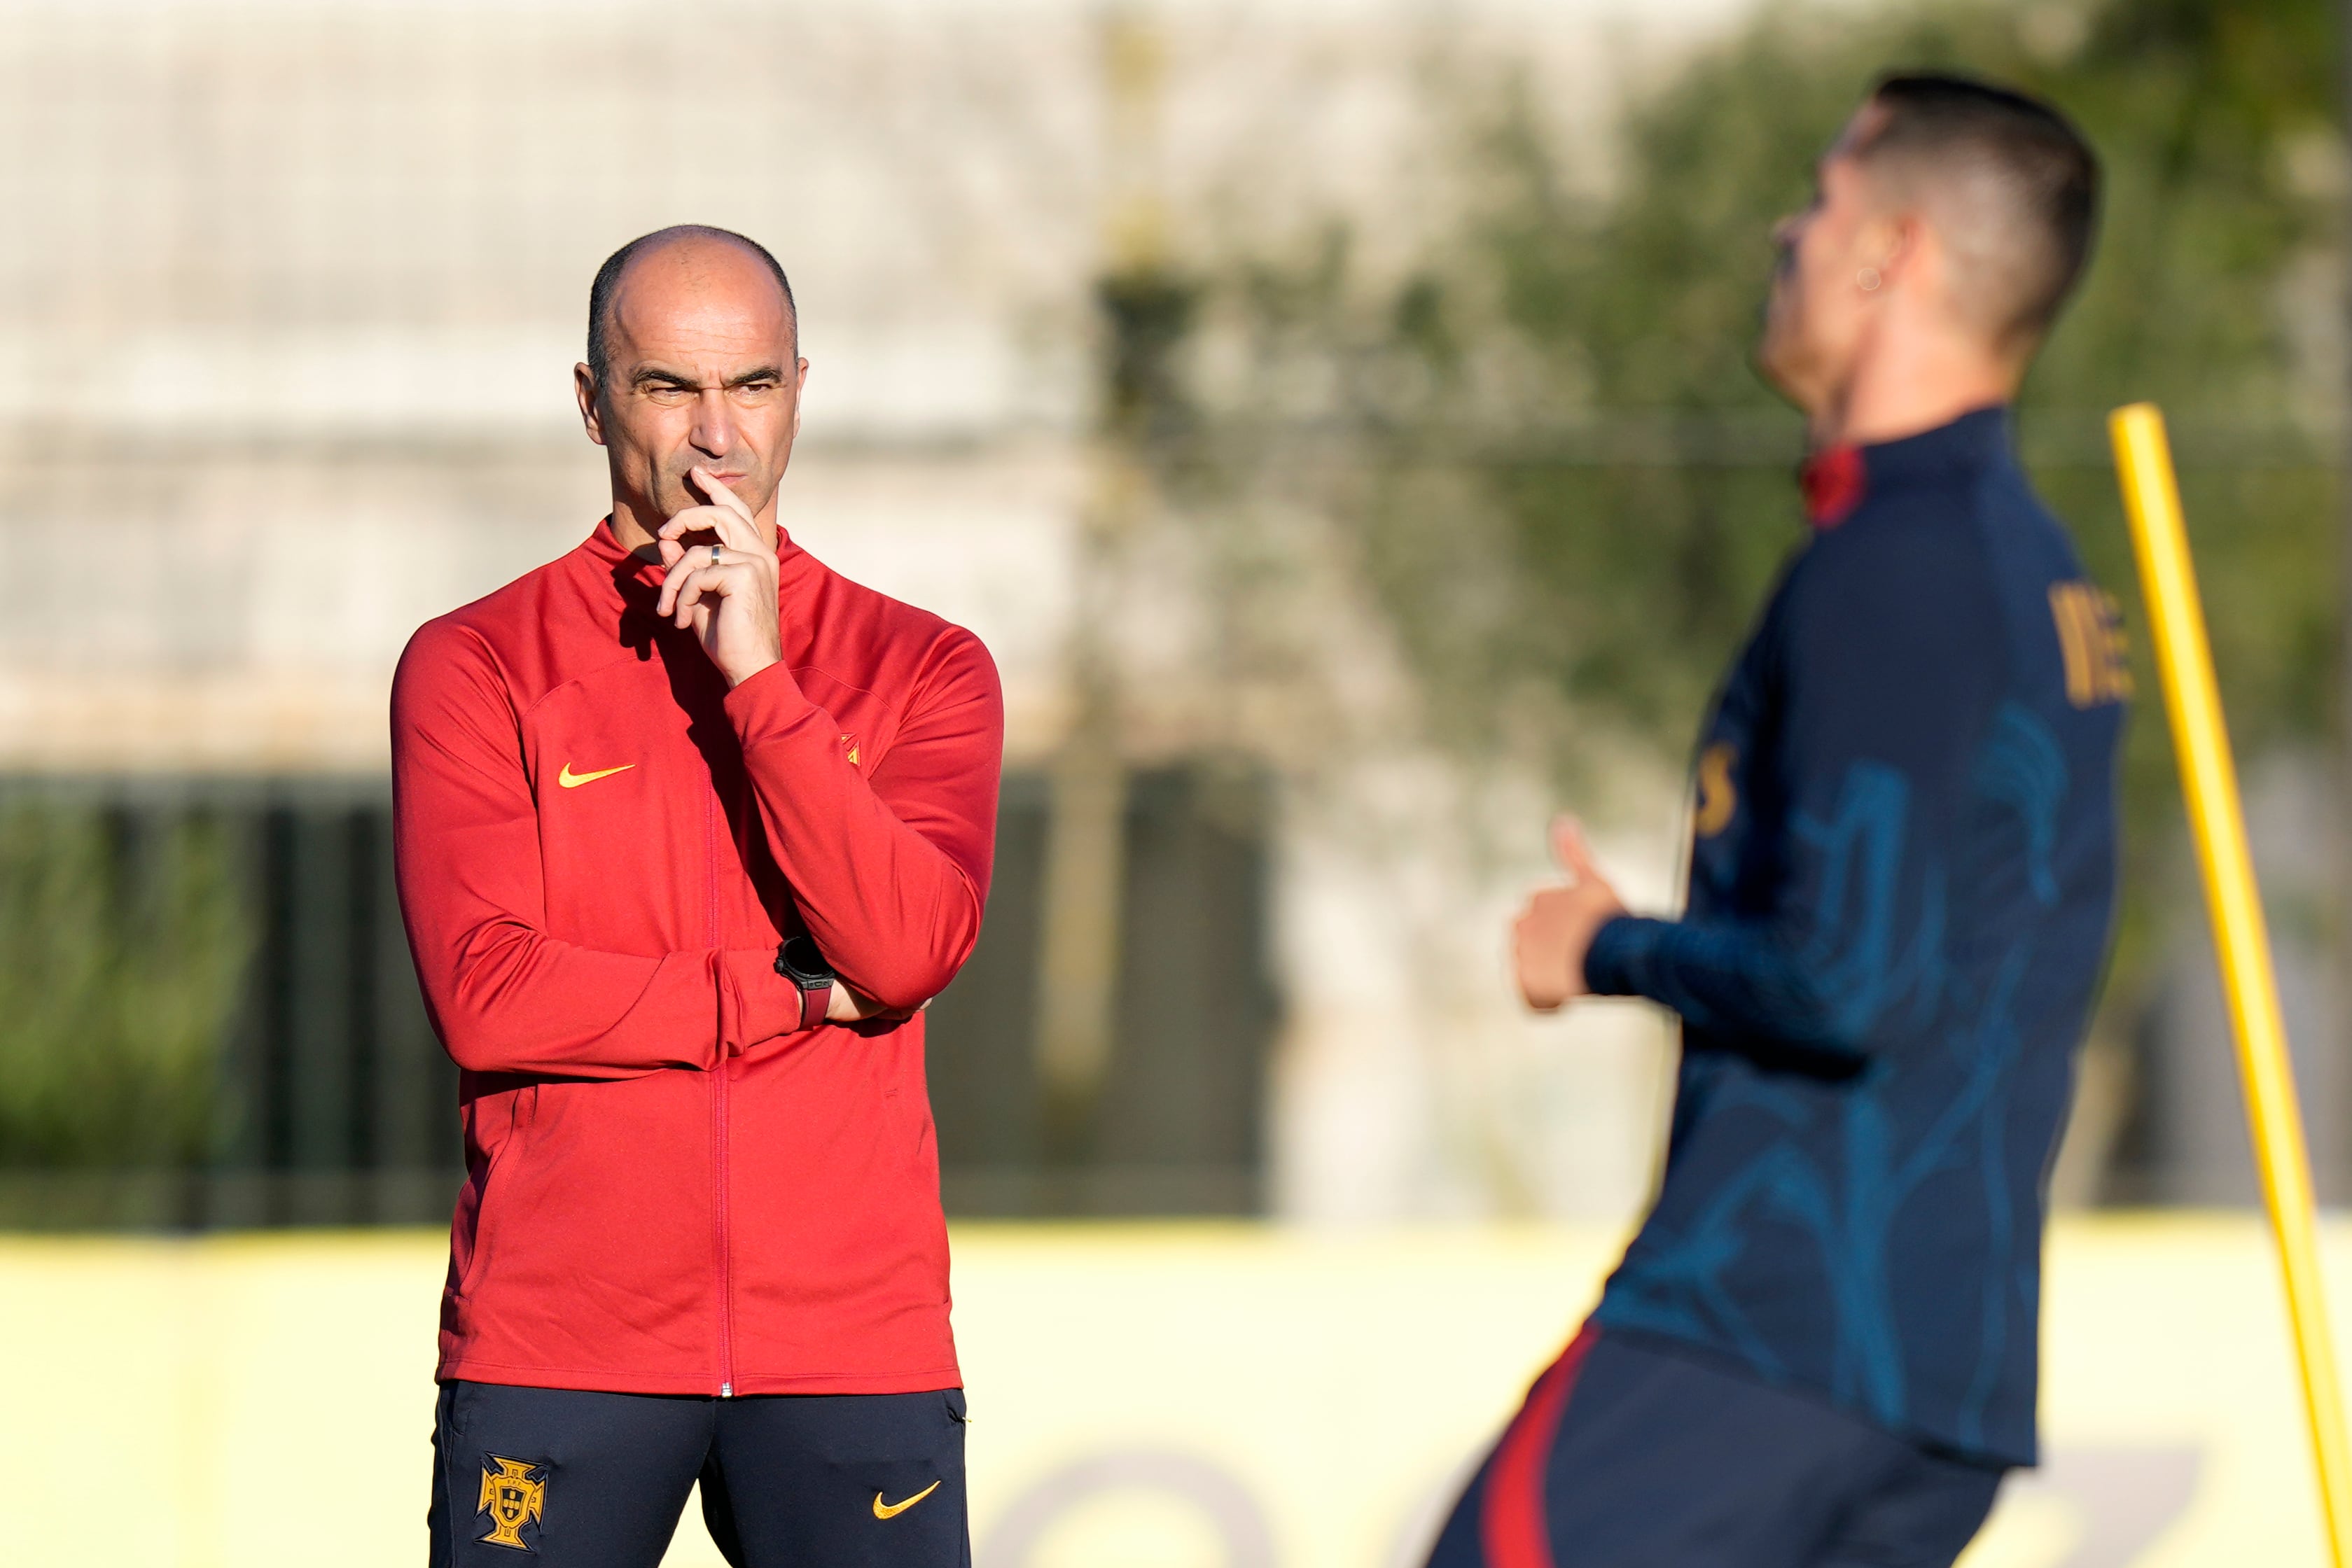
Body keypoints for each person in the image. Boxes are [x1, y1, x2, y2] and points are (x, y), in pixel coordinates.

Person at [1429, 76, 2123, 1568]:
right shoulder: (2037, 569)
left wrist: (1610, 944)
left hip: (1768, 1327)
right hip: (1947, 1377)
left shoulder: (1898, 564)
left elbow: (1854, 976)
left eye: (1819, 200)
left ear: (1895, 253)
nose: (1785, 230)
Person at [393, 225, 1002, 1566]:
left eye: (756, 386)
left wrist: (763, 684)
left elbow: (903, 952)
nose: (717, 436)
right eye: (670, 387)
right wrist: (778, 996)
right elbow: (490, 999)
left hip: (852, 1345)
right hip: (564, 1339)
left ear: (800, 388)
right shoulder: (477, 663)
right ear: (592, 399)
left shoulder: (925, 667)